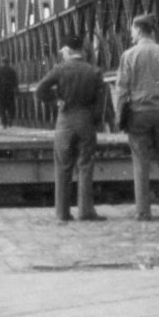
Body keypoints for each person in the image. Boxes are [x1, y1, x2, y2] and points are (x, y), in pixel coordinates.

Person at [113, 14, 159, 220]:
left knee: (141, 163)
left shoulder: (128, 55)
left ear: (138, 30)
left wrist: (120, 115)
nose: (131, 33)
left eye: (132, 30)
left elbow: (122, 89)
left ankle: (143, 211)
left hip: (138, 113)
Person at [35, 32, 109, 222]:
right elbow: (101, 102)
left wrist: (55, 101)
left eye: (63, 51)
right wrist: (94, 119)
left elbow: (40, 90)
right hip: (85, 121)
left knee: (63, 166)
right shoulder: (94, 71)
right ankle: (86, 211)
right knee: (85, 166)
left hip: (65, 121)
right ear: (82, 50)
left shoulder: (60, 69)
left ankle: (62, 213)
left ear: (67, 50)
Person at [0, 59, 19, 129]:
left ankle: (4, 123)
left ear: (2, 62)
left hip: (1, 92)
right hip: (10, 91)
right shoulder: (12, 71)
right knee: (11, 107)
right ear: (8, 62)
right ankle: (10, 119)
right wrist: (17, 91)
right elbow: (15, 82)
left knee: (1, 108)